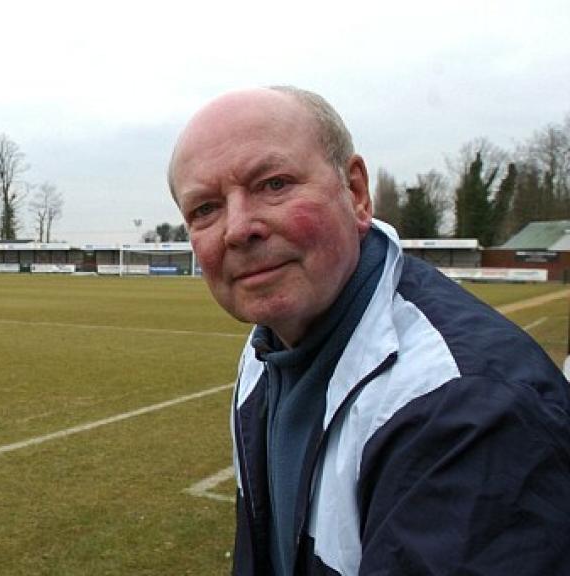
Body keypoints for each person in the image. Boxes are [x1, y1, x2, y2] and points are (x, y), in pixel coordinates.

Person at [167, 86, 570, 575]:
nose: (238, 228)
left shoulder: (467, 409)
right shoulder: (264, 354)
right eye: (205, 209)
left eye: (273, 184)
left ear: (356, 193)